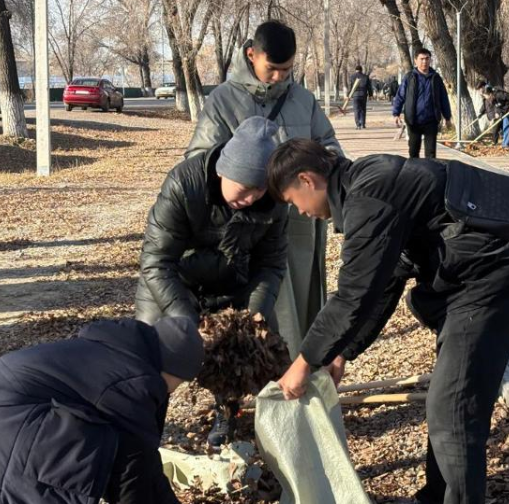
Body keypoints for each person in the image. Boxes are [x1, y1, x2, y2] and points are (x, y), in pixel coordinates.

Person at [266, 139, 509, 504]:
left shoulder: (369, 198)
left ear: (307, 179)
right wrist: (342, 352)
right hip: (473, 279)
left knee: (453, 409)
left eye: (293, 202)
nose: (301, 213)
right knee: (447, 400)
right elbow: (386, 279)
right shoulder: (366, 181)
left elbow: (354, 293)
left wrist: (304, 362)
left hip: (489, 280)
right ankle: (435, 497)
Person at [184, 20, 341, 443]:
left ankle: (296, 402)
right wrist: (245, 171)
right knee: (239, 321)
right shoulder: (222, 101)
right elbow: (200, 161)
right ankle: (229, 407)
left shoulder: (303, 100)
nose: (279, 78)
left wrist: (322, 164)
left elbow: (329, 145)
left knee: (296, 318)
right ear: (251, 54)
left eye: (287, 70)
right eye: (273, 68)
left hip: (298, 230)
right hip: (244, 231)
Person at [136, 116, 288, 446]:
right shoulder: (183, 184)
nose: (250, 198)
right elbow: (156, 261)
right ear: (223, 169)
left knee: (248, 346)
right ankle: (145, 423)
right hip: (173, 281)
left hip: (232, 279)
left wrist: (253, 317)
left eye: (259, 190)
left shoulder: (274, 203)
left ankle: (227, 411)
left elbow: (272, 265)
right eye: (244, 188)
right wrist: (187, 320)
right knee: (149, 350)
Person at [0, 317, 205, 504]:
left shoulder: (116, 354)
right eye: (179, 382)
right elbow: (132, 468)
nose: (174, 390)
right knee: (99, 444)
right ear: (173, 368)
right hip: (7, 430)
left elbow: (144, 463)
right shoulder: (135, 380)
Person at [392, 48, 453, 159]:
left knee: (431, 153)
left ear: (430, 60)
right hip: (414, 120)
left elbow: (443, 98)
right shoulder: (409, 77)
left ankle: (430, 175)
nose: (424, 61)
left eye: (427, 59)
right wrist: (396, 114)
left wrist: (447, 117)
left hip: (431, 120)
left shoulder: (436, 78)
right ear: (416, 60)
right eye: (421, 59)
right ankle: (414, 174)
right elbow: (400, 96)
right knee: (413, 151)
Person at [479, 84, 509, 148]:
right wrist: (498, 113)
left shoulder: (499, 94)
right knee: (506, 126)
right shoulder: (491, 100)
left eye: (485, 95)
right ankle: (506, 144)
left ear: (490, 94)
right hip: (506, 111)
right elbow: (497, 107)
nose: (485, 97)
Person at [349, 64, 371, 129]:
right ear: (361, 70)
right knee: (363, 110)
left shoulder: (352, 76)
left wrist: (348, 95)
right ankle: (363, 124)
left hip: (355, 96)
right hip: (363, 95)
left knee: (356, 110)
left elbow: (350, 87)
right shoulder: (366, 77)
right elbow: (369, 87)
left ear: (356, 70)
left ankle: (358, 124)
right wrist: (370, 95)